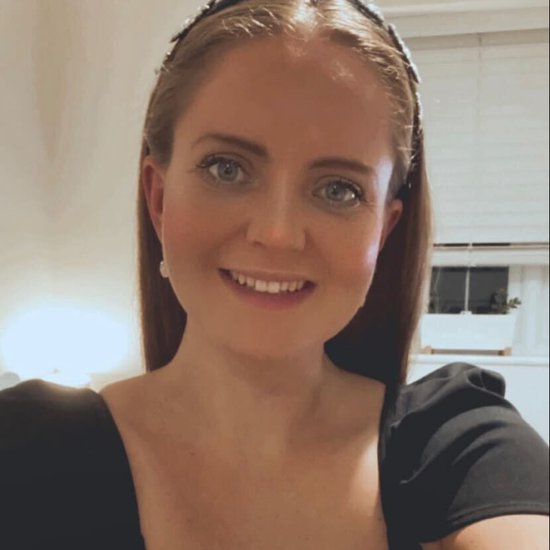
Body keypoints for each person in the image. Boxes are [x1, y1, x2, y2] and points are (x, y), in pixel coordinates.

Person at [1, 1, 548, 548]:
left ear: (384, 229)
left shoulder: (461, 442)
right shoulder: (26, 447)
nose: (278, 233)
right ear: (159, 197)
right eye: (227, 168)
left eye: (339, 189)